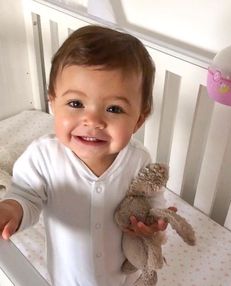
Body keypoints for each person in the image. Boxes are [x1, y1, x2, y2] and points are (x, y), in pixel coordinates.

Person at [0, 25, 169, 286]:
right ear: (53, 103)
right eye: (76, 104)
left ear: (138, 120)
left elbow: (153, 197)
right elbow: (26, 195)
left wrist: (153, 222)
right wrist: (12, 208)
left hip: (126, 276)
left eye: (114, 108)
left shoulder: (138, 159)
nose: (93, 120)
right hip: (70, 277)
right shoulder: (43, 156)